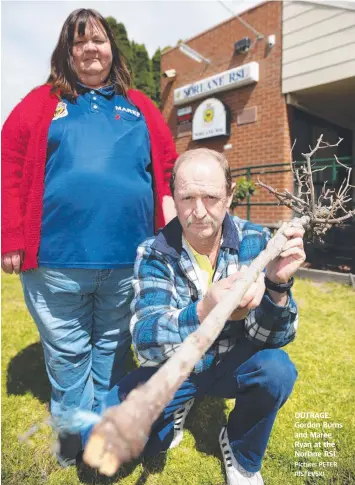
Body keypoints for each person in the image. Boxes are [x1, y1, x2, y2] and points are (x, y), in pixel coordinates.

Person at [1, 8, 177, 461]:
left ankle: (102, 433)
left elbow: (168, 168)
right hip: (56, 264)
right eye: (79, 42)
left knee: (114, 352)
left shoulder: (139, 105)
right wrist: (10, 238)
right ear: (67, 52)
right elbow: (9, 167)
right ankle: (71, 439)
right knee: (67, 356)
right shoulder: (41, 103)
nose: (90, 48)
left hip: (127, 261)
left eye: (97, 39)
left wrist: (176, 231)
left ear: (111, 48)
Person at [77, 148, 306, 484]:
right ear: (173, 198)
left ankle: (242, 452)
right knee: (96, 444)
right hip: (176, 369)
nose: (199, 212)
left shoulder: (255, 239)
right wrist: (203, 310)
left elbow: (271, 338)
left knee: (277, 371)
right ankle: (173, 415)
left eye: (211, 197)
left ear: (229, 197)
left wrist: (276, 286)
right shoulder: (154, 251)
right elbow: (146, 342)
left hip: (234, 362)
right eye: (187, 198)